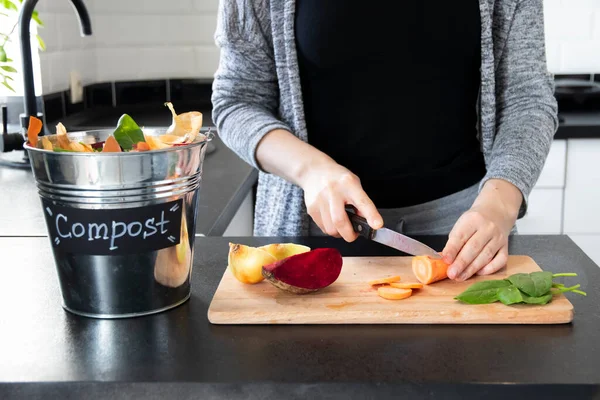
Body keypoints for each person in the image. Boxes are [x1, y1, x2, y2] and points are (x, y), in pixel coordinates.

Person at [210, 0, 558, 281]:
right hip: (316, 229)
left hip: (464, 230)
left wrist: (498, 207)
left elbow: (528, 100)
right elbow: (237, 100)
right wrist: (312, 171)